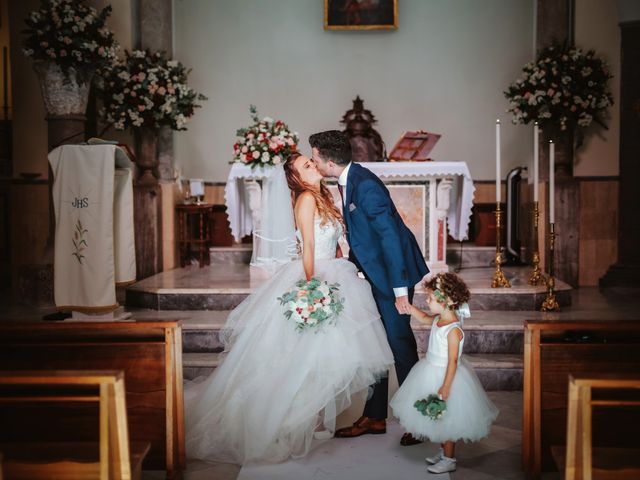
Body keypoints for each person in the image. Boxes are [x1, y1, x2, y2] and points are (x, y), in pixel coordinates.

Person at [184, 152, 394, 465]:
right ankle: (303, 418)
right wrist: (312, 288)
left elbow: (335, 245)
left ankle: (319, 417)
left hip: (336, 273)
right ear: (296, 178)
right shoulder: (306, 200)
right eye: (306, 165)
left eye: (312, 162)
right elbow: (308, 247)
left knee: (322, 353)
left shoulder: (324, 197)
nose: (313, 165)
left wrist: (340, 264)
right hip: (314, 276)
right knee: (305, 355)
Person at [310, 130, 429, 446]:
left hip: (393, 277)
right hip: (374, 275)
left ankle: (419, 421)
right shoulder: (349, 180)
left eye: (314, 157)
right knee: (377, 343)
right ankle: (375, 416)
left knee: (400, 345)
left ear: (329, 160)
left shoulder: (365, 186)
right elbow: (363, 236)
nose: (313, 162)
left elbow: (390, 238)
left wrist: (400, 290)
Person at [390, 272, 499, 474]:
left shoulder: (453, 331)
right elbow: (424, 318)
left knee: (448, 421)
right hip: (431, 370)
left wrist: (446, 386)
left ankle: (449, 459)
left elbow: (453, 361)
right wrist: (410, 308)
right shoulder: (440, 319)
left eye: (430, 298)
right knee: (438, 418)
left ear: (446, 301)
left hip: (446, 377)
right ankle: (443, 452)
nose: (427, 301)